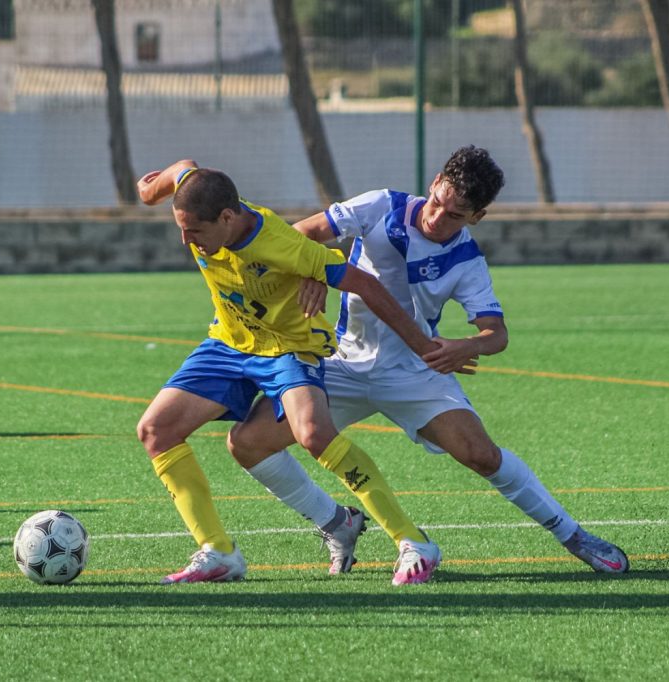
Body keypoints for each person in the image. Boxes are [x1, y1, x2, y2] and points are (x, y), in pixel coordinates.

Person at [227, 145, 629, 575]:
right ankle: (335, 522)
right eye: (438, 202)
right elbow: (296, 234)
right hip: (339, 363)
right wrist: (314, 271)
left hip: (416, 371)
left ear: (477, 217)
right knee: (247, 443)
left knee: (482, 455)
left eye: (455, 215)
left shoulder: (467, 260)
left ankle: (573, 535)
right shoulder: (380, 204)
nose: (438, 218)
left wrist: (467, 346)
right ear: (435, 181)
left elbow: (497, 334)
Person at [135, 159, 453, 585]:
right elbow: (183, 170)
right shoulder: (199, 192)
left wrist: (423, 348)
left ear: (227, 218)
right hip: (230, 341)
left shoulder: (283, 246)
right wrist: (149, 192)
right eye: (181, 226)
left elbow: (366, 284)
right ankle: (219, 552)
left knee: (314, 433)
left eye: (194, 231)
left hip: (289, 347)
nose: (185, 239)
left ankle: (413, 541)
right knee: (156, 429)